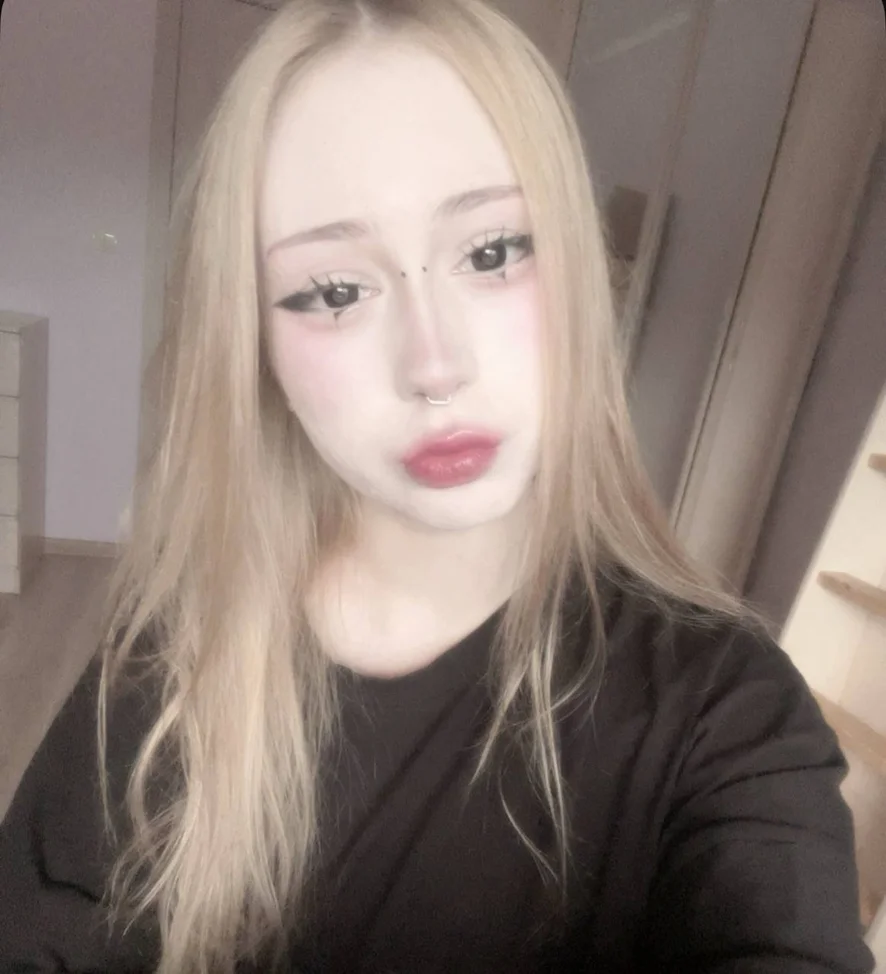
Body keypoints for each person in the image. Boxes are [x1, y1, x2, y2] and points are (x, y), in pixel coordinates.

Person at [0, 0, 874, 972]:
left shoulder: (726, 715)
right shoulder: (173, 652)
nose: (434, 363)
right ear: (256, 349)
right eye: (336, 291)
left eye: (492, 252)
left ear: (579, 270)